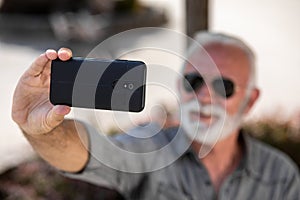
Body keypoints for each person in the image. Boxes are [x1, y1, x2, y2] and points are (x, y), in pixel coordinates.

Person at [12, 32, 300, 199]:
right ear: (179, 85)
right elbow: (86, 154)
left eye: (224, 86)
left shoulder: (281, 175)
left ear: (250, 101)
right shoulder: (149, 147)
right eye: (194, 81)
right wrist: (40, 129)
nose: (204, 97)